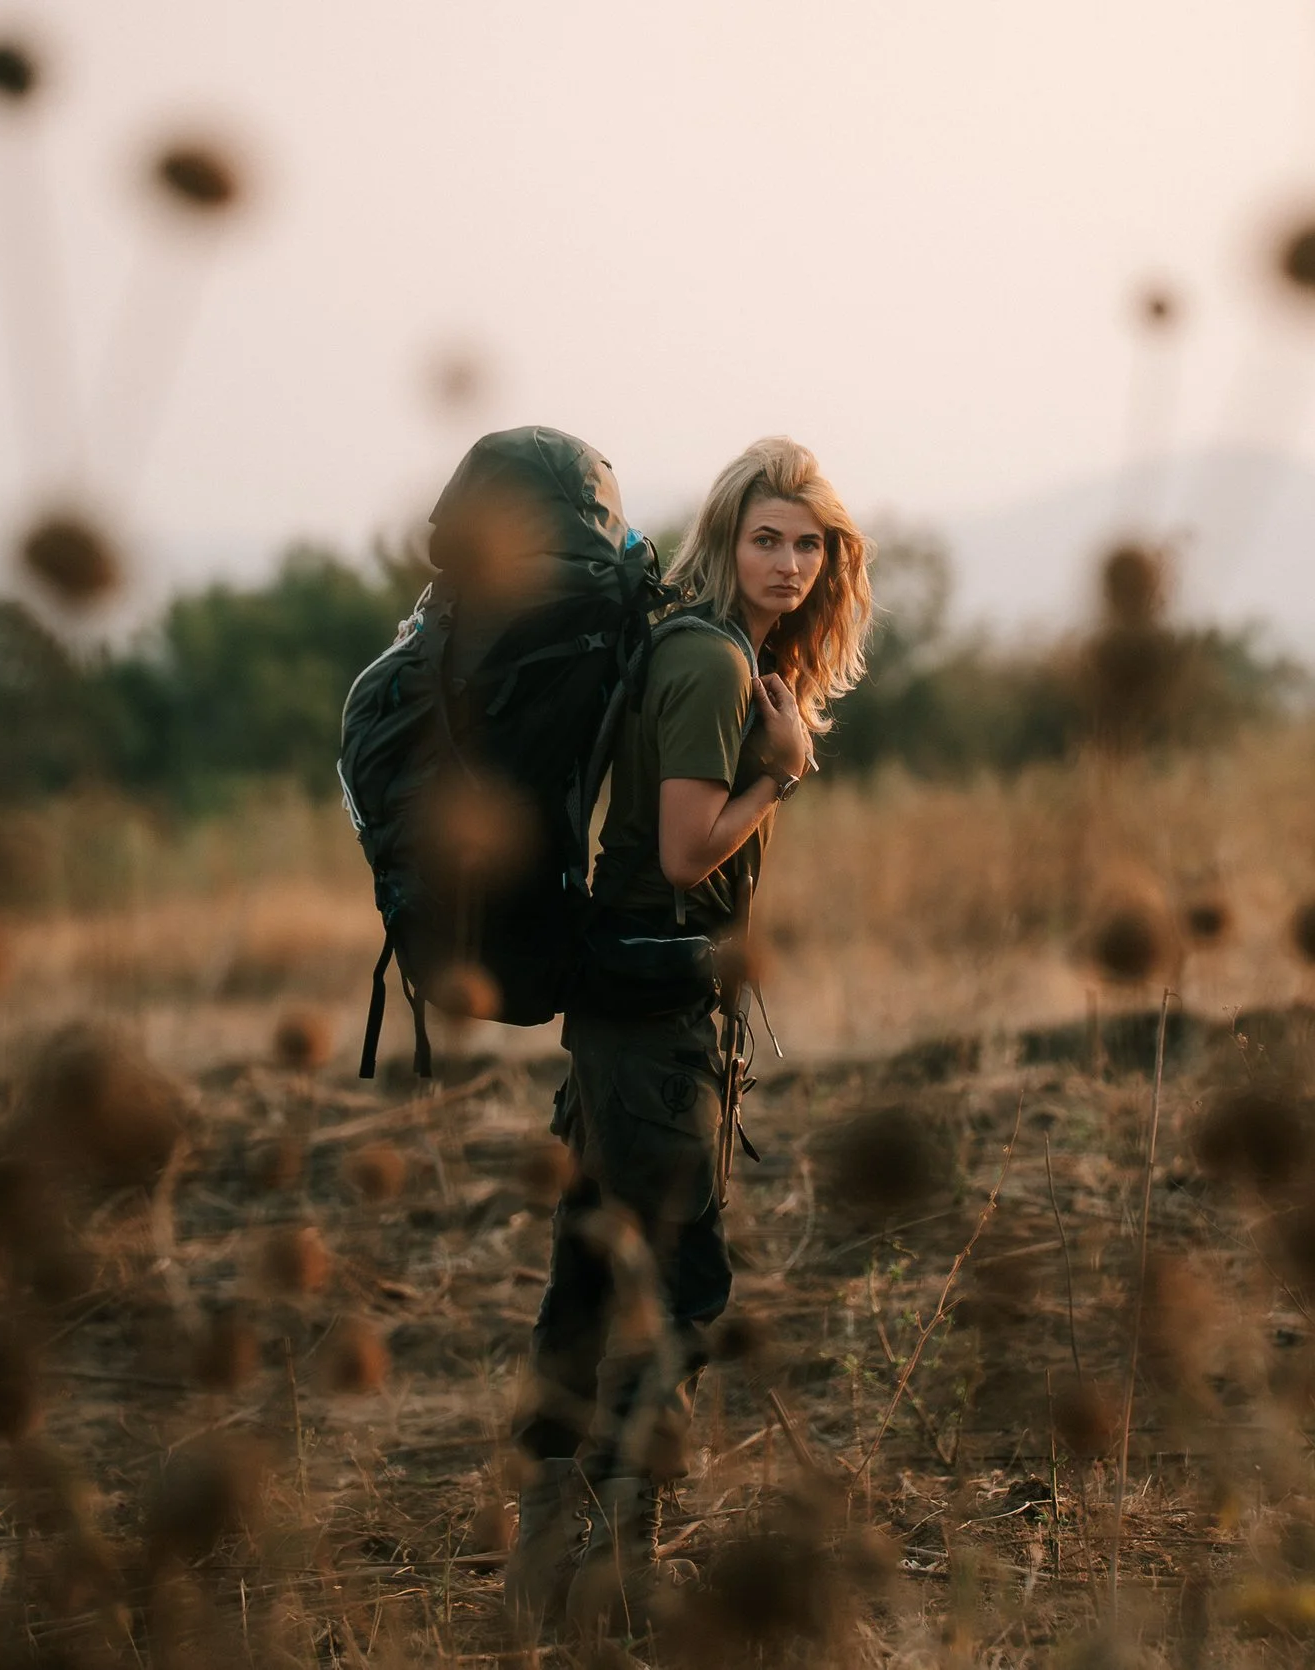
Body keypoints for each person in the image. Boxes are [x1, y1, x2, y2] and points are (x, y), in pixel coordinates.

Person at [509, 436, 873, 1634]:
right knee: (679, 1285)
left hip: (625, 1008)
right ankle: (616, 1574)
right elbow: (679, 854)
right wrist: (781, 774)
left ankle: (544, 1584)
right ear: (727, 541)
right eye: (766, 538)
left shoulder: (701, 651)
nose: (788, 563)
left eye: (808, 543)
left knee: (584, 1271)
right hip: (649, 1020)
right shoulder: (713, 664)